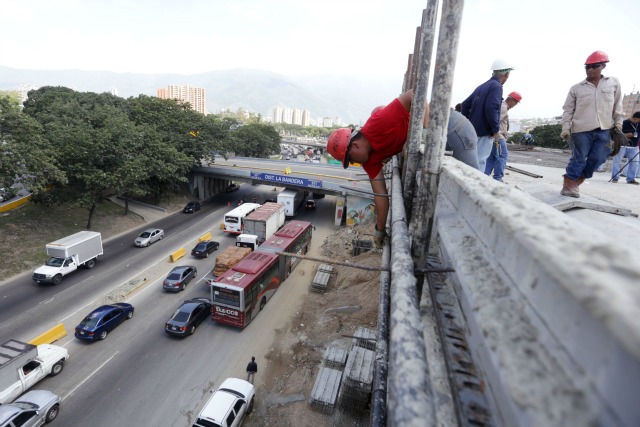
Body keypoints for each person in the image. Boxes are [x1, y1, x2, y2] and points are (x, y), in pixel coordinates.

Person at [327, 89, 429, 249]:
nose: (354, 163)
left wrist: (426, 134)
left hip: (446, 127)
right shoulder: (369, 162)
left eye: (351, 159)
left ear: (355, 145)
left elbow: (414, 93)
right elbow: (381, 197)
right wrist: (379, 232)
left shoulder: (378, 123)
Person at [560, 51, 624, 197]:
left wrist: (618, 124)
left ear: (603, 66)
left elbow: (617, 106)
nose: (589, 70)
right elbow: (568, 110)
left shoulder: (613, 83)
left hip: (604, 129)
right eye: (587, 67)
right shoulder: (576, 88)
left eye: (593, 66)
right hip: (581, 130)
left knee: (598, 159)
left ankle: (577, 181)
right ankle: (568, 185)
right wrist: (565, 128)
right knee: (579, 158)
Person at [460, 58, 514, 172]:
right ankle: (475, 188)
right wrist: (495, 129)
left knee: (473, 160)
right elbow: (492, 107)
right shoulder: (496, 86)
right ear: (507, 74)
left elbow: (464, 105)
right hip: (485, 132)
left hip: (474, 131)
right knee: (480, 161)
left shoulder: (482, 86)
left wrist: (468, 124)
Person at [484, 91, 522, 182]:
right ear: (512, 100)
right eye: (515, 103)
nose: (515, 105)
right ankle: (498, 178)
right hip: (498, 137)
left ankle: (484, 175)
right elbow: (495, 121)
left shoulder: (501, 106)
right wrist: (495, 134)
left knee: (492, 158)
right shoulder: (503, 107)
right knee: (502, 156)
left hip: (495, 137)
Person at [612, 111, 640, 183]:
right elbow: (615, 134)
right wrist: (626, 135)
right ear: (634, 118)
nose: (638, 122)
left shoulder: (639, 124)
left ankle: (631, 179)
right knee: (617, 161)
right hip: (622, 145)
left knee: (634, 162)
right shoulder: (624, 123)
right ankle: (615, 177)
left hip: (634, 146)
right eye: (638, 120)